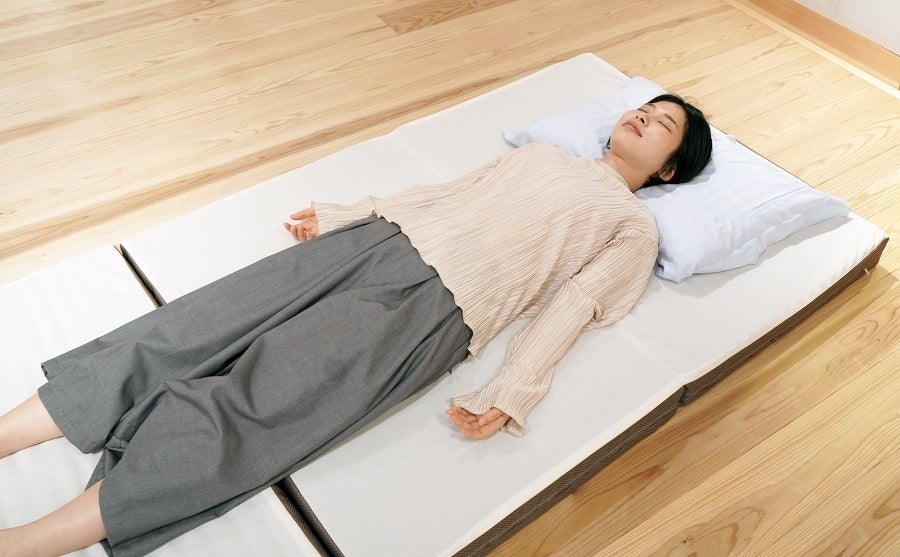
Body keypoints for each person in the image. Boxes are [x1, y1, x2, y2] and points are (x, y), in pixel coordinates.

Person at [0, 94, 712, 557]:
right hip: (379, 241)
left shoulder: (632, 227)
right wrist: (350, 212)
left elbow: (573, 307)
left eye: (664, 124)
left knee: (258, 408)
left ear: (669, 170)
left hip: (437, 310)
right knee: (193, 326)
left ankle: (29, 541)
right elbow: (444, 193)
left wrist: (512, 389)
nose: (643, 116)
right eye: (644, 107)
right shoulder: (544, 154)